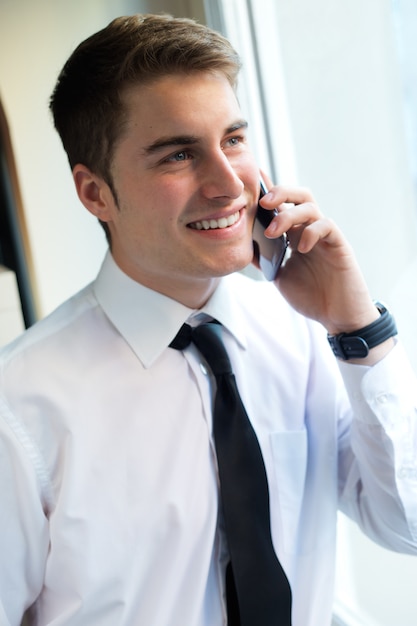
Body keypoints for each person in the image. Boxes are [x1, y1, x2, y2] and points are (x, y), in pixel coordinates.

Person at [0, 13, 416, 626]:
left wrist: (357, 327)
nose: (229, 185)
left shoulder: (302, 333)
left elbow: (406, 525)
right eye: (178, 155)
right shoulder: (20, 406)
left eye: (235, 139)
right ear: (95, 194)